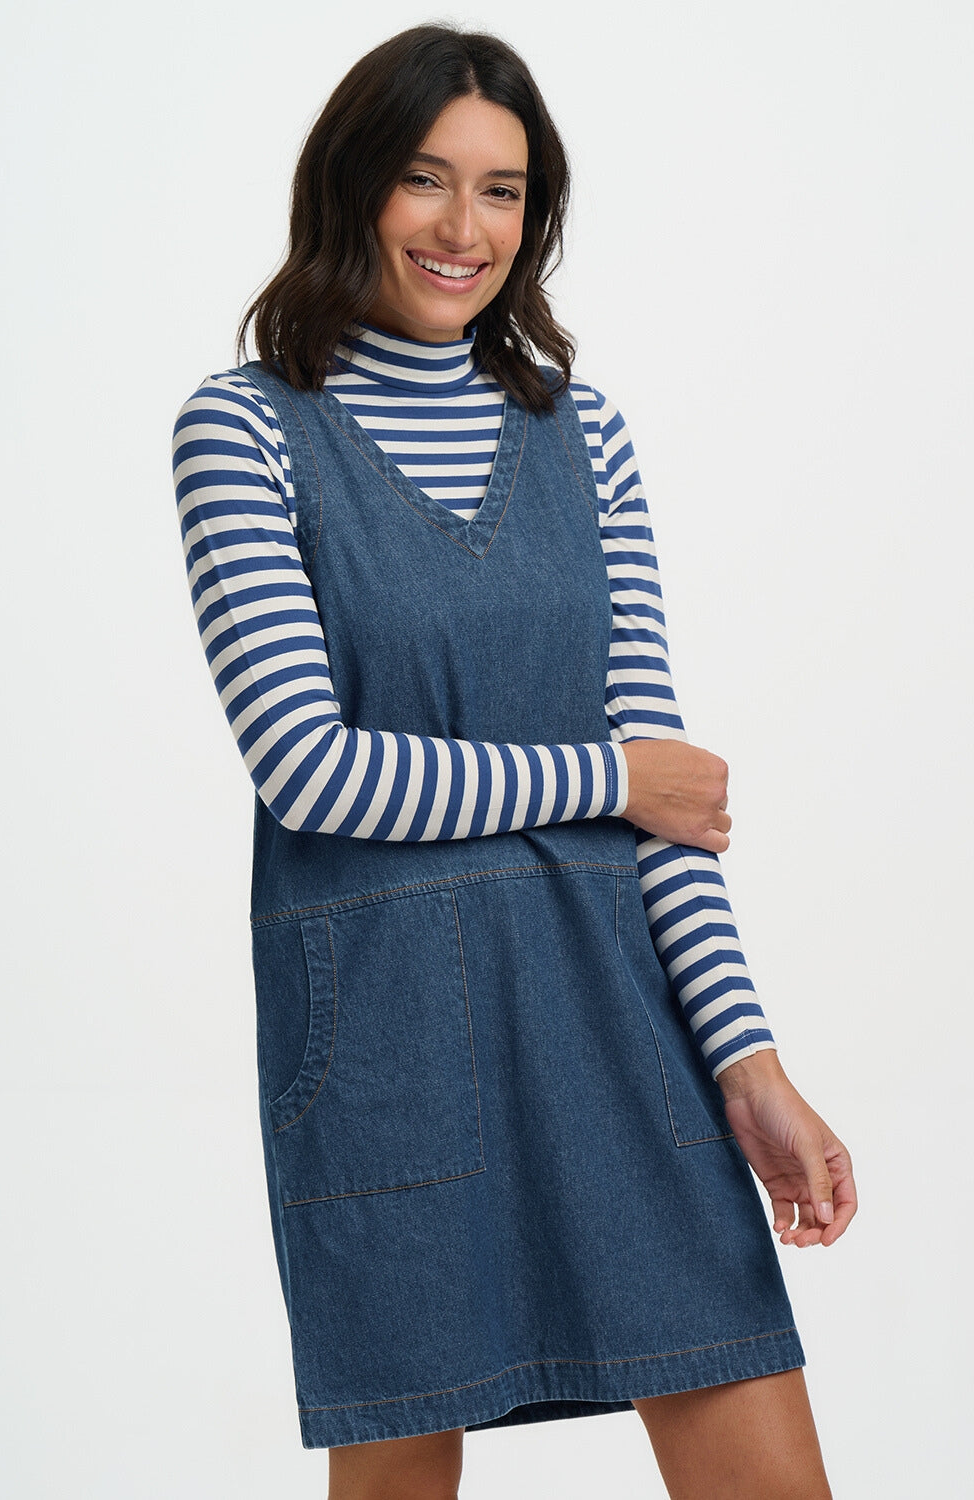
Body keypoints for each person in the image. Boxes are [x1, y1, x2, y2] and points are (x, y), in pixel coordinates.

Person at [172, 23, 856, 1500]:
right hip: (388, 1037)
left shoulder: (583, 435)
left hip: (614, 1012)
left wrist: (750, 1067)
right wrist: (610, 777)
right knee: (403, 1472)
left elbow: (675, 820)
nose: (463, 228)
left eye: (503, 191)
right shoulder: (245, 430)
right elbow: (314, 771)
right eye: (426, 180)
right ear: (351, 186)